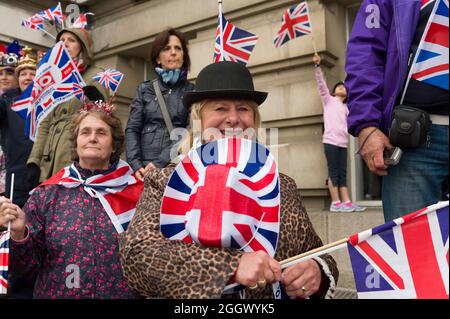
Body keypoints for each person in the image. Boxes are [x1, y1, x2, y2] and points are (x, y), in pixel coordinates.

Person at [120, 61, 338, 299]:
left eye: (243, 109)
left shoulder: (282, 185)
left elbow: (319, 252)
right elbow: (137, 256)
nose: (233, 119)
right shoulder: (167, 180)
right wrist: (231, 266)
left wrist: (317, 270)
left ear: (254, 119)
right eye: (221, 108)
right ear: (198, 119)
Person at [0, 102, 143, 298]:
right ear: (76, 142)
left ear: (114, 145)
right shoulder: (47, 194)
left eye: (101, 132)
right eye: (85, 132)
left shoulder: (138, 193)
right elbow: (25, 269)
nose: (92, 138)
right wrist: (17, 235)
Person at [345, 0, 448, 221]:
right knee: (411, 249)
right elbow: (366, 52)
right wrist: (367, 126)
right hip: (412, 141)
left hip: (414, 138)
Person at [27, 28, 109, 187]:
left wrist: (97, 101)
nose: (65, 44)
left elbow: (104, 118)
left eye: (71, 40)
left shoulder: (96, 75)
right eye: (61, 40)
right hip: (48, 163)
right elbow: (44, 123)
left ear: (83, 47)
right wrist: (34, 161)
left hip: (75, 160)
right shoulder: (55, 79)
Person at [125, 28, 194, 180]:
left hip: (174, 167)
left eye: (178, 48)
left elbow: (190, 132)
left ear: (184, 57)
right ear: (158, 58)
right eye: (167, 48)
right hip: (143, 170)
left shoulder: (192, 92)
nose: (173, 52)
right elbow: (132, 129)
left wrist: (159, 162)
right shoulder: (144, 89)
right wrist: (136, 165)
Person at [313, 53, 365, 213]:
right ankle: (335, 203)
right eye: (339, 86)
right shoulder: (328, 101)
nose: (343, 87)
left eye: (345, 87)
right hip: (330, 142)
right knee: (333, 172)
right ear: (334, 91)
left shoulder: (347, 108)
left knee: (343, 173)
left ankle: (347, 202)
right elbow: (321, 85)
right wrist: (317, 66)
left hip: (343, 143)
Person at [0, 47, 36, 208]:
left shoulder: (50, 104)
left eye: (32, 73)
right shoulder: (7, 102)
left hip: (42, 174)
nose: (27, 78)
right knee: (14, 223)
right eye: (23, 74)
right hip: (16, 175)